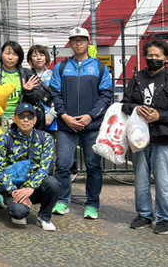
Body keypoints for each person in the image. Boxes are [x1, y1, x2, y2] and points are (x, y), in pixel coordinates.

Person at [122, 39, 168, 235]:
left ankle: (167, 218)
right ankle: (144, 214)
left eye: (157, 56)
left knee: (164, 181)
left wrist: (160, 116)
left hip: (163, 137)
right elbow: (125, 104)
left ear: (166, 58)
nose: (153, 59)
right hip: (138, 139)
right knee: (141, 180)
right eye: (149, 55)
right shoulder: (137, 78)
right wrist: (136, 107)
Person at [50, 26, 113, 219]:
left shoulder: (100, 67)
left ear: (88, 42)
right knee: (63, 164)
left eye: (82, 40)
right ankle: (62, 201)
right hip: (66, 126)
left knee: (93, 167)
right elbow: (55, 94)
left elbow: (106, 95)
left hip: (91, 127)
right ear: (70, 43)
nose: (78, 43)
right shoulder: (61, 67)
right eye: (75, 40)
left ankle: (92, 204)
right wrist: (65, 116)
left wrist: (90, 116)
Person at [0, 103, 58, 231]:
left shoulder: (45, 138)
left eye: (30, 117)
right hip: (15, 189)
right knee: (19, 215)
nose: (26, 120)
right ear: (15, 119)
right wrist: (13, 191)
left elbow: (45, 168)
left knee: (53, 183)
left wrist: (31, 188)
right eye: (22, 116)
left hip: (35, 187)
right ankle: (14, 204)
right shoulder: (4, 139)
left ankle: (44, 217)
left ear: (35, 120)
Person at [0, 41, 47, 130]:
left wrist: (28, 91)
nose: (10, 57)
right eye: (7, 53)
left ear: (19, 57)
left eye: (15, 54)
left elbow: (35, 99)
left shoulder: (27, 74)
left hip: (19, 120)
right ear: (1, 54)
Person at [27, 44, 58, 130]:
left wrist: (51, 116)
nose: (38, 58)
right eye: (34, 56)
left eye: (42, 55)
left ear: (46, 58)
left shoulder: (53, 76)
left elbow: (59, 97)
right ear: (30, 60)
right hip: (32, 121)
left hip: (51, 121)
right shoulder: (27, 76)